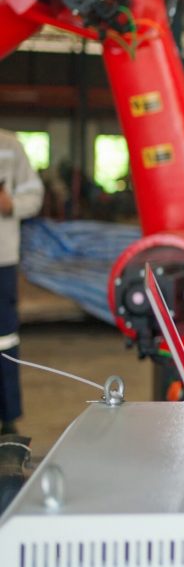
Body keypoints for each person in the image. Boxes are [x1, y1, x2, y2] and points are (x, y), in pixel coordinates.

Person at [0, 130, 43, 435]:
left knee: (4, 339)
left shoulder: (9, 146)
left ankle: (7, 417)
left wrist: (10, 204)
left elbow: (34, 195)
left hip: (1, 260)